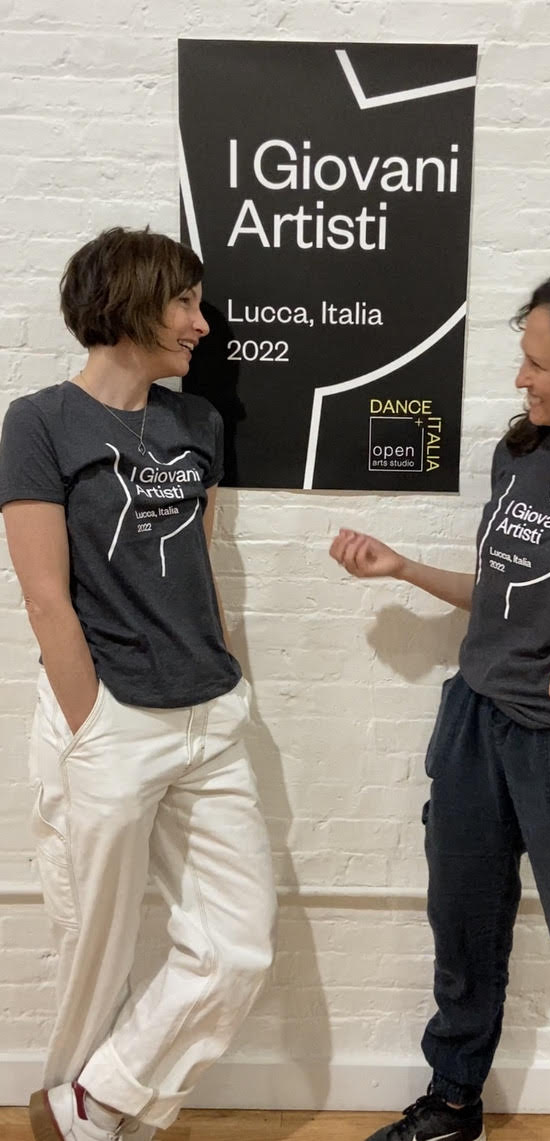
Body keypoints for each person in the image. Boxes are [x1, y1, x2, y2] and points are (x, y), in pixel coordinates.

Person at [330, 267, 550, 1141]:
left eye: (537, 363)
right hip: (474, 723)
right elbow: (503, 588)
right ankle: (452, 1102)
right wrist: (405, 569)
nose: (520, 379)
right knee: (462, 929)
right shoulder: (520, 452)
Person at [0, 227, 276, 1141]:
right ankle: (89, 1113)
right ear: (125, 302)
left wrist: (220, 661)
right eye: (185, 302)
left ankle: (96, 1100)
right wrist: (91, 720)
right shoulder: (38, 422)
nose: (202, 322)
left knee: (236, 944)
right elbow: (45, 596)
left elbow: (196, 555)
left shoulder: (197, 420)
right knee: (97, 945)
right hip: (110, 714)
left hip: (208, 709)